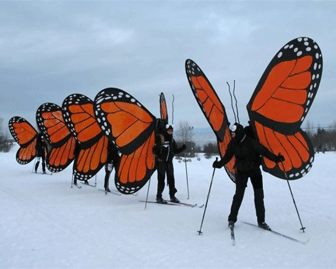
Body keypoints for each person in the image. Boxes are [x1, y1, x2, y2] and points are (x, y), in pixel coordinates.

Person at [212, 123, 284, 230]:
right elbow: (227, 157)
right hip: (241, 171)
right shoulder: (233, 143)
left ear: (239, 132)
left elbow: (264, 151)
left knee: (259, 195)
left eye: (233, 133)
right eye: (231, 133)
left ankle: (261, 221)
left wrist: (276, 159)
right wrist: (219, 164)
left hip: (255, 170)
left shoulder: (251, 141)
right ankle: (232, 219)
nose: (232, 135)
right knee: (238, 195)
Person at [154, 124, 187, 204]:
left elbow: (175, 151)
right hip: (161, 162)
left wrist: (183, 148)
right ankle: (159, 197)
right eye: (168, 130)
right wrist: (156, 151)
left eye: (171, 131)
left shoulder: (172, 140)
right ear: (166, 130)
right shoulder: (161, 138)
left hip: (169, 163)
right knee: (161, 180)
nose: (170, 132)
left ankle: (172, 196)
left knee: (171, 180)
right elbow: (155, 150)